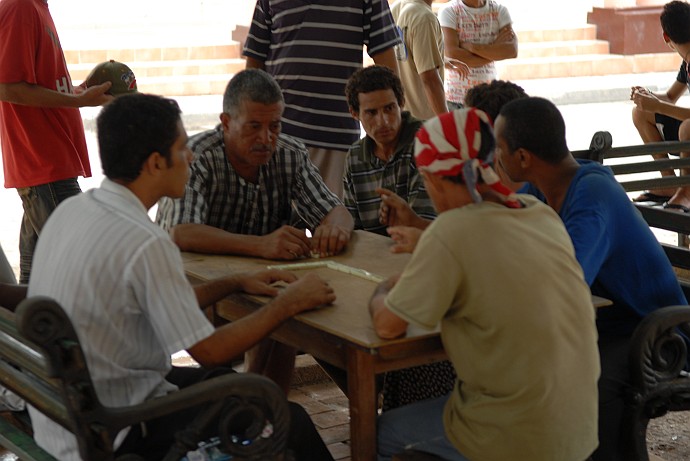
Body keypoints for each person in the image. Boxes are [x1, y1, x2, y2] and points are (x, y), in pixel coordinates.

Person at [26, 92, 336, 461]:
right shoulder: (145, 241)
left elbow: (146, 305)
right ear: (156, 163)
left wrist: (234, 282)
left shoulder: (76, 209)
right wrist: (291, 302)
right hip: (119, 427)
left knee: (241, 388)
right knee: (285, 416)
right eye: (181, 148)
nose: (190, 156)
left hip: (67, 414)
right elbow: (209, 351)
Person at [370, 108, 600, 461]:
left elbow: (387, 326)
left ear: (432, 179)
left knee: (381, 434)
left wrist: (385, 289)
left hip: (517, 436)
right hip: (578, 427)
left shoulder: (451, 232)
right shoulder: (536, 212)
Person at [495, 96, 688, 461]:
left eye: (499, 149)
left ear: (522, 158)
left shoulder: (590, 196)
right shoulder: (543, 186)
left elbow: (564, 285)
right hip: (612, 327)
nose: (494, 160)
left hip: (660, 339)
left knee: (578, 381)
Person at [156, 69, 354, 391]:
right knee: (226, 358)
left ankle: (269, 412)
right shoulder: (198, 156)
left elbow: (338, 211)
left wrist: (335, 229)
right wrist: (260, 245)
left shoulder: (290, 154)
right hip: (199, 285)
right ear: (226, 122)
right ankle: (241, 411)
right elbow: (182, 231)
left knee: (285, 318)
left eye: (274, 126)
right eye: (253, 127)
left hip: (264, 280)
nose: (266, 138)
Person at [0, 0, 113, 283]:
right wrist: (76, 100)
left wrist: (79, 92)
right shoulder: (21, 6)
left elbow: (36, 85)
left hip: (47, 167)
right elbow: (7, 87)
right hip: (45, 164)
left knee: (35, 284)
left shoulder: (36, 6)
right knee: (82, 272)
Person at [243, 0, 401, 197]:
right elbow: (255, 62)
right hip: (280, 137)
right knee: (283, 225)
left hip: (337, 138)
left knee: (336, 222)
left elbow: (387, 68)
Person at [344, 65, 436, 236]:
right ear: (354, 113)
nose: (383, 122)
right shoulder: (355, 157)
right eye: (371, 113)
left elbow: (426, 229)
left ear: (401, 104)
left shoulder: (425, 142)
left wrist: (408, 218)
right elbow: (354, 231)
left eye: (389, 108)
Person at [631, 0, 690, 210]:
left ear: (666, 37)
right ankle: (670, 182)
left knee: (687, 127)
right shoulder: (687, 62)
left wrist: (656, 106)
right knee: (640, 113)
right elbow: (670, 96)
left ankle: (686, 191)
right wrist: (647, 98)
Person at [438, 0, 518, 111]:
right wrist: (495, 50)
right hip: (457, 98)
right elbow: (453, 55)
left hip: (489, 96)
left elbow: (511, 51)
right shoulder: (449, 10)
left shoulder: (499, 10)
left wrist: (472, 47)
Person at [390, 0, 448, 120]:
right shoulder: (424, 18)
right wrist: (446, 123)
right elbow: (430, 80)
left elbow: (406, 54)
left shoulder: (396, 7)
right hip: (424, 120)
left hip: (403, 118)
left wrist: (440, 59)